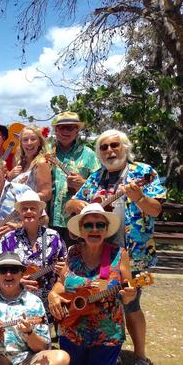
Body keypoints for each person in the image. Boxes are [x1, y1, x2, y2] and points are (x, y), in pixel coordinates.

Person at [65, 129, 165, 365]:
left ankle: (140, 355)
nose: (109, 150)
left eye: (114, 145)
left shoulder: (143, 172)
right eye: (104, 147)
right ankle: (108, 348)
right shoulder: (95, 177)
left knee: (130, 303)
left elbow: (156, 210)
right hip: (100, 252)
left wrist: (139, 197)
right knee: (101, 302)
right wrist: (75, 203)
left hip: (134, 252)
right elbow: (71, 204)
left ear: (125, 147)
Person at [48, 203, 137, 365]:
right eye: (88, 225)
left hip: (107, 335)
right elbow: (61, 283)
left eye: (100, 225)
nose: (94, 229)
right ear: (81, 230)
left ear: (106, 229)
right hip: (71, 330)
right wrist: (52, 295)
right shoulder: (73, 252)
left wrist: (130, 295)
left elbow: (127, 291)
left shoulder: (119, 254)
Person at [0, 190, 67, 316]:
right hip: (16, 300)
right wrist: (14, 281)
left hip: (48, 303)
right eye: (24, 209)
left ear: (40, 212)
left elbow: (66, 265)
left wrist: (62, 270)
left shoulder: (53, 236)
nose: (28, 212)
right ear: (20, 213)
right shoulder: (9, 238)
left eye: (33, 208)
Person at [47, 112, 99, 246]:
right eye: (61, 127)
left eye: (70, 127)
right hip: (47, 220)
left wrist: (83, 184)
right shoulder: (46, 152)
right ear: (56, 130)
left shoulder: (89, 155)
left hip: (77, 221)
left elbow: (100, 187)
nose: (65, 131)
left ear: (77, 130)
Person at [6, 126, 53, 202]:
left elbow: (46, 194)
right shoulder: (20, 162)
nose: (29, 143)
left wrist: (22, 199)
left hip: (33, 211)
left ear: (39, 142)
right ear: (21, 143)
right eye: (25, 140)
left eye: (33, 139)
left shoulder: (41, 163)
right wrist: (9, 176)